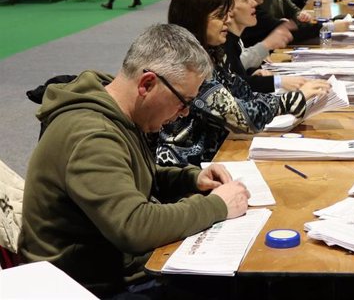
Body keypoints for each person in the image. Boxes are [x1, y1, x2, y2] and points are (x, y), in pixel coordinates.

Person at [19, 24, 250, 297]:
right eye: (182, 101)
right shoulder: (92, 135)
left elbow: (131, 176)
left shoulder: (114, 108)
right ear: (147, 84)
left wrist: (191, 178)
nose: (184, 113)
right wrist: (217, 206)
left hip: (104, 270)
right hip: (83, 287)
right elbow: (134, 227)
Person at [157, 0, 331, 166]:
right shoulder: (188, 65)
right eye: (219, 16)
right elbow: (243, 117)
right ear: (196, 18)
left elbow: (243, 92)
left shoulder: (211, 53)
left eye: (227, 14)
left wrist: (290, 97)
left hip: (212, 159)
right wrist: (295, 99)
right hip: (186, 168)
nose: (228, 20)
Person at [224, 0, 309, 93]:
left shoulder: (235, 39)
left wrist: (251, 74)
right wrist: (277, 81)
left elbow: (236, 74)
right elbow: (231, 88)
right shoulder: (223, 42)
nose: (254, 3)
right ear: (228, 10)